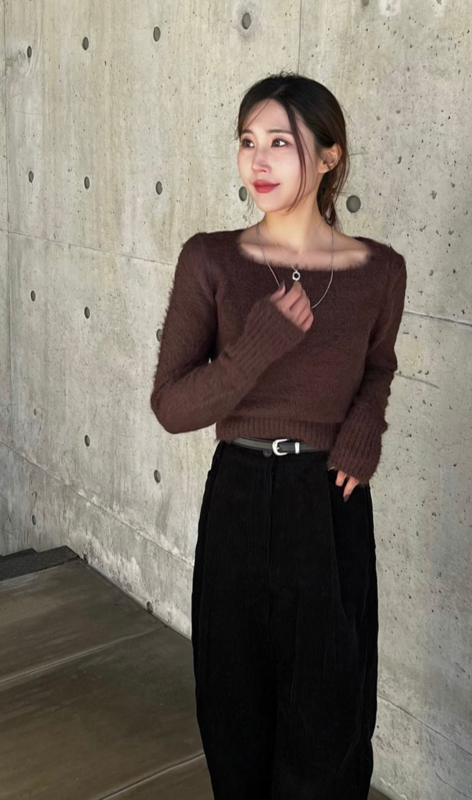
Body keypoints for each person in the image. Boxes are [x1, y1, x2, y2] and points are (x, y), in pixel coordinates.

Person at [150, 71, 407, 800]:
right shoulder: (211, 259)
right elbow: (172, 406)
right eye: (247, 141)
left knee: (330, 714)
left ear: (328, 156)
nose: (257, 161)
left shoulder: (380, 270)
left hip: (329, 498)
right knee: (234, 709)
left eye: (280, 143)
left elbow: (379, 368)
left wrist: (363, 431)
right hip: (238, 494)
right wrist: (256, 347)